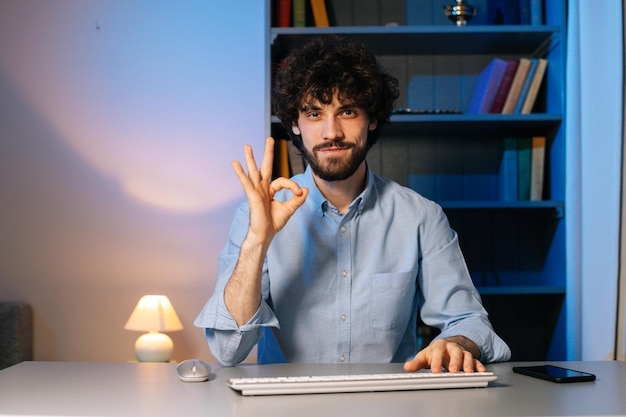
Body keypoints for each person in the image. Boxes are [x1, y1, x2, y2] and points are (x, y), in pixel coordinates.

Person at [195, 36, 511, 373]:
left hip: (387, 404)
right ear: (295, 125)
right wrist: (258, 241)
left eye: (347, 111)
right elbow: (228, 351)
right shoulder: (257, 215)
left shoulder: (421, 216)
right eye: (314, 113)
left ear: (371, 119)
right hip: (287, 405)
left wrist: (458, 343)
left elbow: (470, 321)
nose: (332, 132)